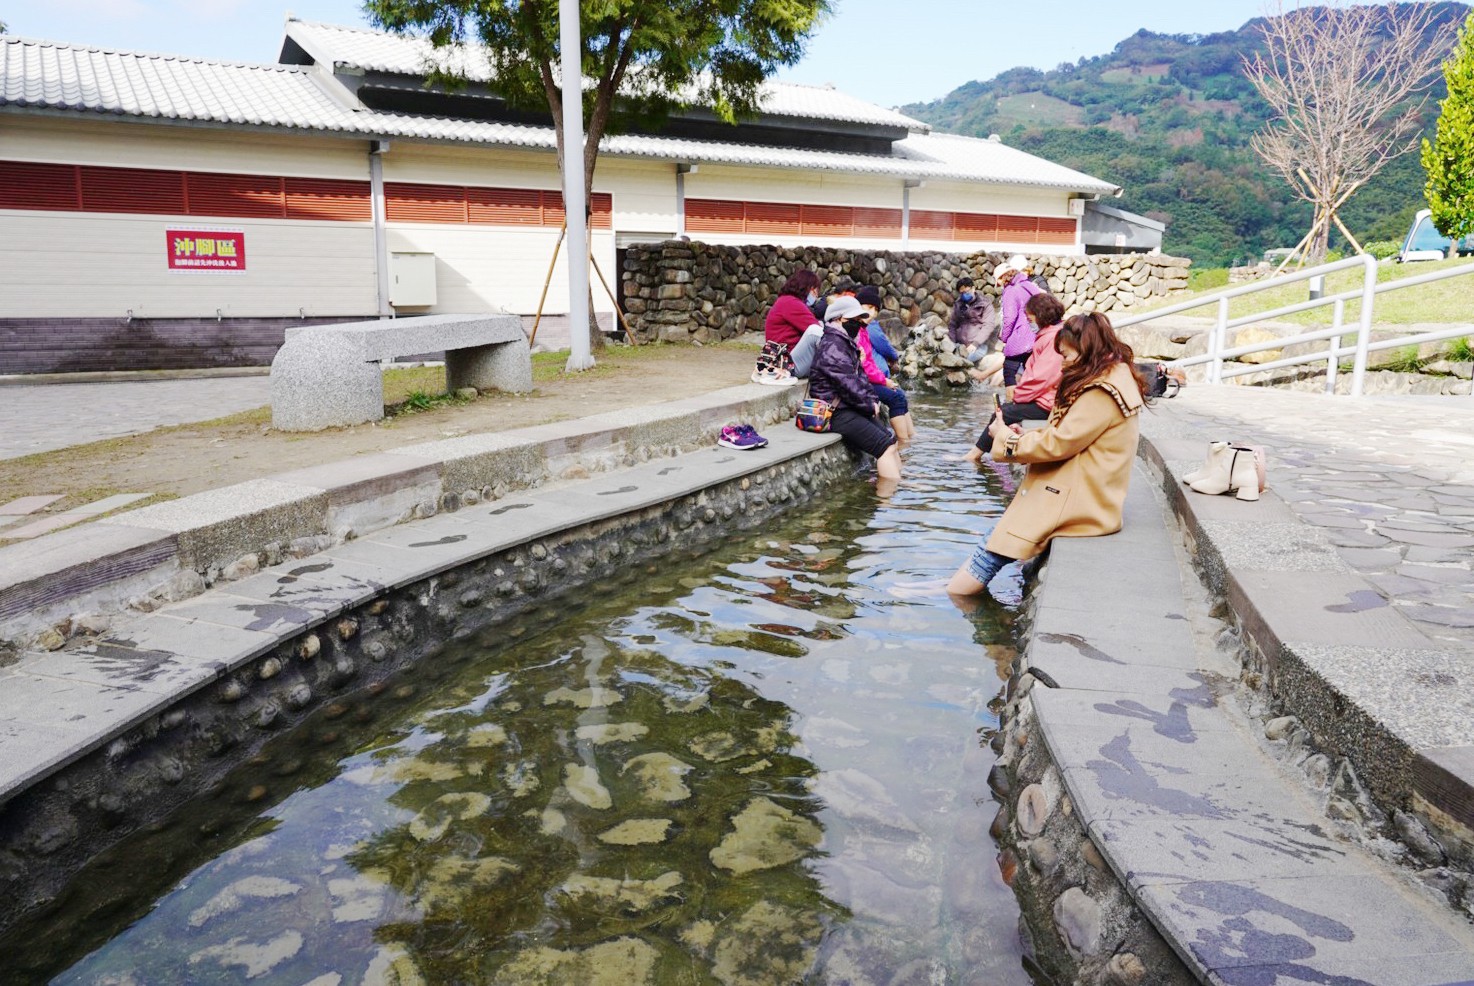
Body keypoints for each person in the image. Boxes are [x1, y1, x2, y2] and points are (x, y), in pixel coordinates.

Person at [947, 312, 1150, 596]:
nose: (1063, 362)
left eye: (1066, 355)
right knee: (999, 535)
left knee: (999, 541)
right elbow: (1067, 436)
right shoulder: (1111, 378)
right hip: (1089, 489)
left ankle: (954, 594)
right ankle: (950, 587)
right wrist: (1023, 436)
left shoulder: (1099, 392)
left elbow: (1059, 444)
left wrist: (1005, 438)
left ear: (1087, 349)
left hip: (1082, 498)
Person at [808, 296, 902, 482]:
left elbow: (861, 378)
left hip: (847, 406)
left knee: (890, 439)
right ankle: (888, 499)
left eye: (860, 321)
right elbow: (847, 384)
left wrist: (872, 400)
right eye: (853, 321)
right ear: (837, 319)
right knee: (884, 446)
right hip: (834, 411)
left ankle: (899, 480)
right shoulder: (832, 346)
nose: (858, 325)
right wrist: (868, 405)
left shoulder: (846, 343)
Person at [966, 292, 1066, 464]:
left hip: (1048, 402)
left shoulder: (1052, 338)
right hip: (1049, 398)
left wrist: (1019, 396)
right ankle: (989, 454)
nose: (1028, 321)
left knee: (1004, 413)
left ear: (1040, 315)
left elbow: (1041, 378)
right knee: (1005, 411)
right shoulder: (1052, 334)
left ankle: (975, 456)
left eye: (1029, 318)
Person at [855, 286, 915, 442]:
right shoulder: (857, 330)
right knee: (896, 398)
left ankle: (911, 437)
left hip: (870, 378)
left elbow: (869, 361)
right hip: (860, 381)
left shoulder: (863, 329)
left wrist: (883, 378)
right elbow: (864, 365)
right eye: (868, 307)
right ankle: (904, 442)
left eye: (875, 309)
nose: (872, 313)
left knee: (899, 394)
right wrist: (883, 380)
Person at [757, 270, 821, 384]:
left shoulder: (785, 301)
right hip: (788, 364)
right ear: (807, 287)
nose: (816, 296)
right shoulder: (791, 303)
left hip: (787, 360)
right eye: (815, 291)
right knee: (815, 331)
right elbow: (817, 330)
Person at [996, 254, 1043, 386]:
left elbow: (1009, 318)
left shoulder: (1011, 290)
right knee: (1031, 370)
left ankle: (1010, 403)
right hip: (1037, 335)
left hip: (1021, 336)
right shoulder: (1029, 285)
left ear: (1002, 277)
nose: (998, 285)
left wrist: (1004, 337)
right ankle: (1029, 400)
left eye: (998, 281)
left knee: (1009, 370)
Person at [949, 276, 998, 367]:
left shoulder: (985, 304)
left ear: (973, 288)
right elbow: (952, 324)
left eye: (966, 292)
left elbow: (988, 325)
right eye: (961, 293)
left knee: (960, 362)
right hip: (960, 345)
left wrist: (975, 343)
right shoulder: (958, 304)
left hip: (978, 346)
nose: (964, 295)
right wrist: (952, 342)